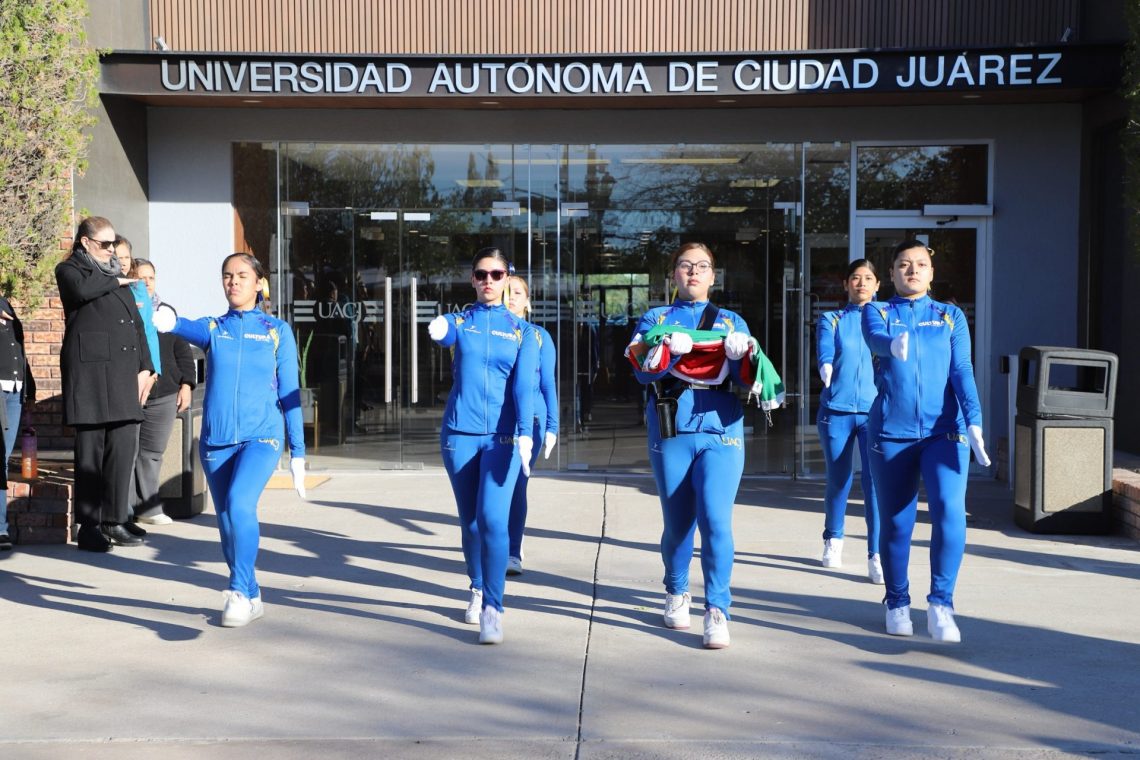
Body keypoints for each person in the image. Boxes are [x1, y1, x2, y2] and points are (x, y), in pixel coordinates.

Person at [626, 241, 783, 649]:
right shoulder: (656, 318)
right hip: (672, 426)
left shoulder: (731, 321)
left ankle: (717, 608)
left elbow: (749, 379)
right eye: (685, 265)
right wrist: (664, 351)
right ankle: (677, 590)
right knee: (679, 524)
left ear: (713, 276)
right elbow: (642, 373)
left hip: (721, 428)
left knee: (715, 519)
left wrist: (743, 355)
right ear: (673, 275)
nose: (693, 272)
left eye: (701, 266)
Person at [154, 252, 306, 627]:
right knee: (225, 525)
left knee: (240, 504)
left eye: (241, 275)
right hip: (216, 441)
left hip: (262, 437)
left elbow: (290, 393)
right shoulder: (214, 328)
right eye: (227, 275)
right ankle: (252, 593)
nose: (233, 281)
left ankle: (237, 590)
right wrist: (169, 319)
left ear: (259, 283)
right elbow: (185, 326)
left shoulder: (276, 331)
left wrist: (299, 452)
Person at [862, 240, 990, 644]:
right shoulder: (877, 311)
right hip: (891, 433)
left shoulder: (950, 316)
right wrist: (891, 345)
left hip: (944, 432)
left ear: (931, 273)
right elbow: (875, 339)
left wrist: (975, 421)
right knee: (897, 521)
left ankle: (941, 604)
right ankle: (897, 601)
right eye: (904, 264)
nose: (912, 270)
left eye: (920, 264)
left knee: (949, 511)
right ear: (892, 273)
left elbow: (962, 370)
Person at [427, 248, 537, 645]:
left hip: (503, 438)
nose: (488, 280)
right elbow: (446, 334)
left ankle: (493, 607)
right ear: (472, 279)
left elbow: (525, 387)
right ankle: (476, 587)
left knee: (492, 519)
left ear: (507, 278)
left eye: (496, 274)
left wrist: (526, 433)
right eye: (481, 274)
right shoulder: (461, 322)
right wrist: (439, 328)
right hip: (460, 435)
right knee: (470, 522)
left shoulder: (523, 332)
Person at [56, 216, 156, 552]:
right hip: (91, 375)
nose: (112, 249)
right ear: (85, 242)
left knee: (123, 447)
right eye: (105, 244)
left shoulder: (116, 278)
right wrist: (117, 281)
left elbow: (137, 326)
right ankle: (89, 525)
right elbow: (82, 291)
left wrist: (146, 366)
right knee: (91, 454)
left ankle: (115, 519)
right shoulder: (70, 270)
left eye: (114, 243)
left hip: (122, 374)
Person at [816, 258, 883, 583]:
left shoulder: (886, 319)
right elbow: (825, 347)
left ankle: (877, 554)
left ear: (877, 285)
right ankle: (834, 538)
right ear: (845, 284)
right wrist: (825, 365)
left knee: (875, 484)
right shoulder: (832, 319)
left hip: (875, 412)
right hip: (836, 411)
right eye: (855, 278)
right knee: (839, 479)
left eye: (868, 278)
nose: (861, 283)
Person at [130, 258, 196, 525]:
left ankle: (147, 507)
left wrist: (186, 384)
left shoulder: (165, 312)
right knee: (127, 452)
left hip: (165, 393)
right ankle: (124, 510)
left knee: (152, 453)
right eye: (141, 277)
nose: (147, 282)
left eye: (151, 277)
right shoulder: (123, 310)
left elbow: (182, 351)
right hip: (131, 392)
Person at [505, 275, 558, 575]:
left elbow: (548, 383)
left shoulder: (539, 336)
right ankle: (499, 542)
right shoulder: (490, 334)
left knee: (516, 485)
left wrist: (553, 425)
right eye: (506, 292)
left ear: (527, 301)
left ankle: (513, 550)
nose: (510, 297)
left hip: (531, 421)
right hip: (495, 422)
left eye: (517, 292)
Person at [114, 238, 163, 536]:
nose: (121, 261)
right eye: (117, 255)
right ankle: (117, 513)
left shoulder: (138, 291)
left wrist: (152, 369)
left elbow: (148, 333)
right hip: (115, 375)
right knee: (120, 450)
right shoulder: (106, 287)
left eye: (126, 256)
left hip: (140, 374)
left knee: (130, 446)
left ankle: (124, 514)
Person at [0, 294, 35, 551]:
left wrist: (29, 388)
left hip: (14, 390)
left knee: (3, 458)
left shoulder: (7, 303)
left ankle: (1, 527)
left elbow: (19, 351)